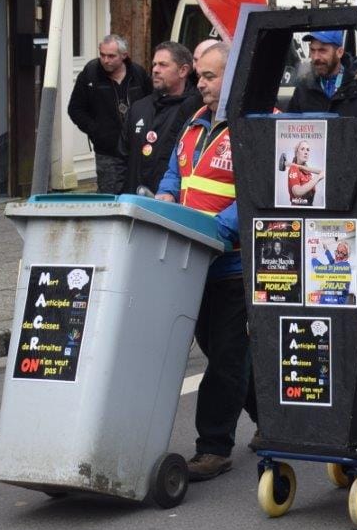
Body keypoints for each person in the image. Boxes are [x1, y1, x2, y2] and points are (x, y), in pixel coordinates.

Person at [155, 42, 253, 481]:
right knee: (220, 351)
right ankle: (273, 419)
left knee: (226, 360)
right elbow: (175, 171)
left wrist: (217, 231)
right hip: (194, 263)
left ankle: (214, 448)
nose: (201, 84)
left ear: (232, 77)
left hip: (232, 265)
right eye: (199, 76)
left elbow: (255, 192)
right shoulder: (195, 121)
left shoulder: (253, 124)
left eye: (209, 77)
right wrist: (165, 195)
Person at [67, 34, 149, 193]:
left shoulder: (137, 74)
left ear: (124, 55)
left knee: (139, 193)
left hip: (137, 148)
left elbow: (151, 104)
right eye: (102, 55)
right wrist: (96, 131)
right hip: (108, 150)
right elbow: (75, 109)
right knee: (110, 195)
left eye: (111, 56)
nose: (105, 60)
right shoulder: (91, 74)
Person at [120, 41, 199, 195]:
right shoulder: (139, 107)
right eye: (154, 64)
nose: (155, 70)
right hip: (134, 200)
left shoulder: (196, 110)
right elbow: (121, 156)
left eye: (163, 65)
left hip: (169, 202)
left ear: (183, 70)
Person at [287, 31, 357, 116]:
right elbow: (290, 122)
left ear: (339, 52)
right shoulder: (304, 87)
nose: (316, 57)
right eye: (312, 50)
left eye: (322, 50)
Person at [286, 140, 323, 205]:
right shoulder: (293, 169)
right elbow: (297, 192)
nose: (306, 152)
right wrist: (318, 177)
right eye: (302, 149)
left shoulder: (308, 173)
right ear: (296, 153)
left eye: (308, 150)